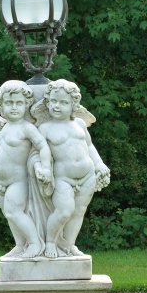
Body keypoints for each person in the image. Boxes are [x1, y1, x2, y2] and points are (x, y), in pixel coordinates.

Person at [31, 79, 110, 257]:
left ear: (74, 105)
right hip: (63, 178)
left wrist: (99, 164)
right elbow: (39, 152)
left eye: (63, 102)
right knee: (64, 211)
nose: (56, 106)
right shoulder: (44, 128)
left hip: (87, 175)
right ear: (47, 102)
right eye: (53, 101)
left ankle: (69, 245)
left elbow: (89, 146)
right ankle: (50, 242)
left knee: (79, 211)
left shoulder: (79, 124)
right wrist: (42, 168)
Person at [0, 80, 53, 258]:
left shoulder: (27, 128)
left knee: (14, 212)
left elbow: (43, 146)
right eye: (9, 103)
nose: (14, 107)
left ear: (26, 105)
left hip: (17, 180)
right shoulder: (5, 127)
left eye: (19, 103)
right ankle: (20, 245)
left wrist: (45, 167)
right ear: (1, 106)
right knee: (9, 214)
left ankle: (35, 243)